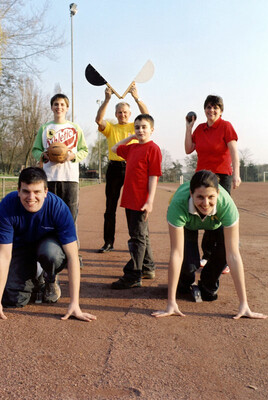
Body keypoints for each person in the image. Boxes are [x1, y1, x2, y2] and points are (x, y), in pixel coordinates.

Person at [0, 167, 97, 322]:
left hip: (48, 247)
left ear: (45, 191)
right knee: (12, 300)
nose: (31, 197)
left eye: (37, 192)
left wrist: (75, 304)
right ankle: (36, 279)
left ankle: (50, 278)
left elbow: (72, 257)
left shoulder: (58, 208)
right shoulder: (6, 207)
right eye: (26, 191)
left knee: (51, 254)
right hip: (21, 249)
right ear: (18, 191)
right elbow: (3, 255)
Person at [152, 170, 267, 320]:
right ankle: (184, 282)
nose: (206, 204)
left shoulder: (227, 206)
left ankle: (207, 283)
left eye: (211, 197)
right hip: (187, 224)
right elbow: (176, 254)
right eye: (200, 197)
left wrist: (244, 303)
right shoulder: (178, 204)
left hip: (215, 224)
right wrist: (170, 303)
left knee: (228, 253)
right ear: (191, 194)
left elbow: (233, 255)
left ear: (218, 194)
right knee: (188, 265)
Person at [185, 95, 241, 273]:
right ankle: (207, 255)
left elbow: (234, 152)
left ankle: (223, 258)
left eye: (216, 107)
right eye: (209, 107)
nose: (212, 110)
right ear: (204, 110)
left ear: (221, 110)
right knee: (204, 213)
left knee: (219, 216)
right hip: (202, 177)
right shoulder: (200, 129)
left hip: (221, 176)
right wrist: (189, 128)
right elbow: (188, 149)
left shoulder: (226, 126)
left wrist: (236, 174)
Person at [32, 93, 88, 266]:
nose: (59, 107)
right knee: (47, 217)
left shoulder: (75, 128)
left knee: (71, 218)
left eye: (62, 104)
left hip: (70, 179)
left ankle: (73, 254)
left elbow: (84, 150)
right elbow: (35, 150)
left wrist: (72, 155)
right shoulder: (44, 128)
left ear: (67, 107)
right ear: (51, 107)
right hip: (49, 179)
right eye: (56, 104)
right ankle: (48, 253)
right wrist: (42, 155)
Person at [110, 114, 162, 289]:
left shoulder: (153, 149)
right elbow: (115, 148)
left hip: (141, 201)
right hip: (129, 199)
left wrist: (150, 201)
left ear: (151, 130)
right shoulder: (131, 149)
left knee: (137, 238)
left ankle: (134, 275)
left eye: (144, 127)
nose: (140, 130)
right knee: (142, 236)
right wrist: (131, 137)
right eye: (137, 127)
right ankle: (147, 268)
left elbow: (153, 176)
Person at [95, 83, 148, 253]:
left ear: (130, 114)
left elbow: (146, 115)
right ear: (115, 114)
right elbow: (98, 120)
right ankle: (108, 242)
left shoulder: (135, 126)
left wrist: (136, 97)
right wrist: (107, 99)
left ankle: (136, 241)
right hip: (114, 169)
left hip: (133, 168)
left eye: (125, 112)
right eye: (119, 112)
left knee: (133, 206)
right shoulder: (111, 128)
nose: (122, 115)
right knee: (110, 207)